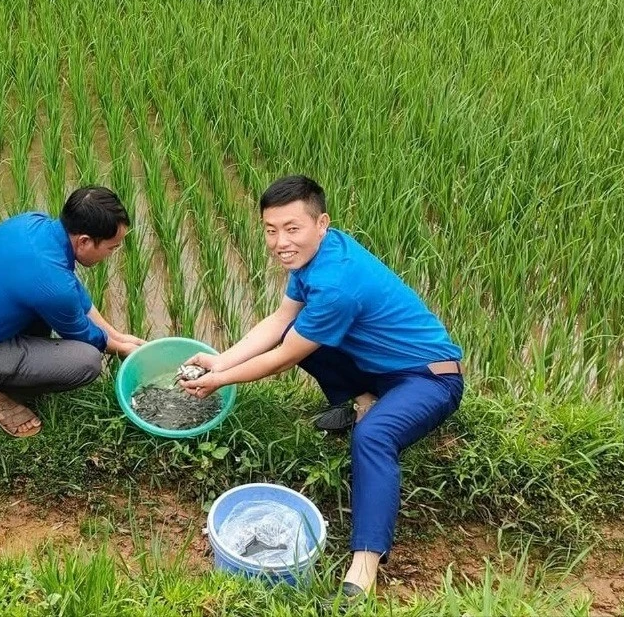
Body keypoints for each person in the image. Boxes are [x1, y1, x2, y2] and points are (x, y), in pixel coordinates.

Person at [180, 175, 464, 598]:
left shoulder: (335, 284)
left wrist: (220, 380)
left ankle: (364, 569)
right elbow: (280, 321)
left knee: (374, 438)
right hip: (381, 368)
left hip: (430, 378)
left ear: (321, 223)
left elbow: (283, 357)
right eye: (270, 230)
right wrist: (220, 360)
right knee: (300, 329)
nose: (280, 242)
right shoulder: (311, 256)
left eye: (292, 228)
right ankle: (363, 399)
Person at [0, 186, 146, 438]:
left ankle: (3, 369)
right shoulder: (52, 283)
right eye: (111, 248)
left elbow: (73, 293)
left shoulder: (33, 223)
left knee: (46, 308)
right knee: (87, 361)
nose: (112, 254)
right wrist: (123, 348)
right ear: (84, 241)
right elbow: (87, 336)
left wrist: (118, 335)